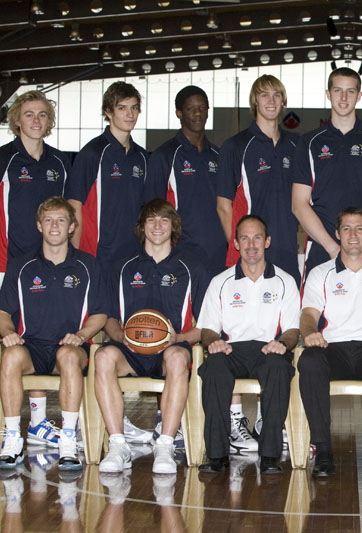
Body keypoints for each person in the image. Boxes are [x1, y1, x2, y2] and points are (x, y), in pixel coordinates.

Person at [0, 90, 70, 450]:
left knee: (39, 338)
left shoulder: (59, 163)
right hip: (10, 271)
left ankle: (38, 424)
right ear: (17, 121)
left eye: (42, 114)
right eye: (29, 114)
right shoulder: (1, 160)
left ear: (49, 120)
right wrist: (2, 258)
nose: (36, 120)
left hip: (49, 269)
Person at [63, 81, 152, 444]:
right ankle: (84, 423)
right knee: (94, 339)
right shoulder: (92, 153)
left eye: (134, 108)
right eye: (122, 108)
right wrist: (80, 259)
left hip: (132, 265)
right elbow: (74, 207)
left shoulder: (142, 157)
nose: (129, 114)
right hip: (99, 260)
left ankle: (116, 416)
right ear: (108, 112)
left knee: (123, 338)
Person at [0, 197, 106, 470]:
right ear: (39, 226)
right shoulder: (20, 265)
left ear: (72, 227)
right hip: (31, 347)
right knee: (10, 356)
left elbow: (100, 315)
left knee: (68, 355)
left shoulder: (89, 265)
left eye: (61, 220)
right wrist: (8, 333)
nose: (54, 226)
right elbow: (2, 314)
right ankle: (12, 440)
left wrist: (81, 335)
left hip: (70, 348)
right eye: (48, 220)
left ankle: (67, 440)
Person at [93, 199, 206, 474]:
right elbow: (108, 316)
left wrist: (180, 338)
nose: (157, 226)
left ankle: (165, 444)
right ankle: (118, 445)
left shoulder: (192, 267)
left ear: (173, 226)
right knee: (103, 356)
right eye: (151, 220)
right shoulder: (121, 267)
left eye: (164, 220)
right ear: (141, 227)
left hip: (170, 349)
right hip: (130, 351)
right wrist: (120, 336)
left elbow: (207, 325)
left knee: (177, 358)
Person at [299, 207, 362, 480]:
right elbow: (308, 315)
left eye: (359, 228)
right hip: (333, 348)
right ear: (337, 234)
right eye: (347, 228)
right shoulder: (320, 273)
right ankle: (323, 450)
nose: (353, 234)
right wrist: (310, 334)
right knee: (309, 360)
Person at [196, 215, 299, 475]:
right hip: (232, 350)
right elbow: (207, 329)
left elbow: (292, 330)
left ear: (267, 242)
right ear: (236, 244)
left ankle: (270, 455)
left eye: (257, 238)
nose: (251, 245)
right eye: (245, 238)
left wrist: (282, 343)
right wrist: (214, 343)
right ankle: (217, 454)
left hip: (269, 349)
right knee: (214, 367)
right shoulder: (220, 282)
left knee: (278, 367)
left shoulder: (285, 281)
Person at [292, 67, 362, 282]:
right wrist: (332, 248)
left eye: (350, 91)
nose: (344, 98)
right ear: (328, 94)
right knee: (315, 306)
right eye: (337, 91)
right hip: (321, 249)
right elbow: (299, 204)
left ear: (359, 96)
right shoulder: (309, 142)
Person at [217, 74, 300, 282]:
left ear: (283, 101)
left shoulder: (296, 145)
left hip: (287, 250)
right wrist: (240, 247)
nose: (271, 101)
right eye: (264, 95)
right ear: (255, 101)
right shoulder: (235, 146)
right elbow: (224, 206)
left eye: (277, 95)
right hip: (251, 255)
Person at [144, 85, 227, 277]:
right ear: (179, 113)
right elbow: (151, 211)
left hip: (218, 255)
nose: (198, 113)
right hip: (181, 255)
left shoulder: (219, 156)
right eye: (191, 108)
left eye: (202, 108)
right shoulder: (164, 156)